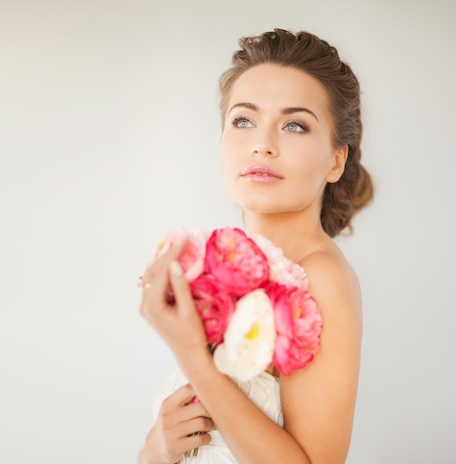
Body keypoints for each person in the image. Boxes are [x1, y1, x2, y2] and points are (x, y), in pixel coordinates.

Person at [137, 28, 373, 464]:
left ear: (336, 160)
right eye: (243, 120)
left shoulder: (320, 277)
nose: (262, 144)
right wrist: (154, 451)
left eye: (295, 125)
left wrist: (194, 358)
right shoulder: (214, 269)